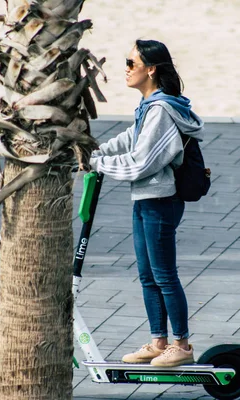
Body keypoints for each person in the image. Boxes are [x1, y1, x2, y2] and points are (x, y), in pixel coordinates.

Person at [90, 39, 204, 367]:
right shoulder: (148, 106)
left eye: (131, 64)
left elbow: (142, 162)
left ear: (151, 69)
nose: (125, 69)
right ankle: (158, 342)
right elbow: (131, 138)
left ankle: (180, 345)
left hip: (160, 202)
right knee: (147, 275)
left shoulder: (161, 111)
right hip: (145, 199)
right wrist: (94, 151)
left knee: (164, 275)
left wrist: (98, 165)